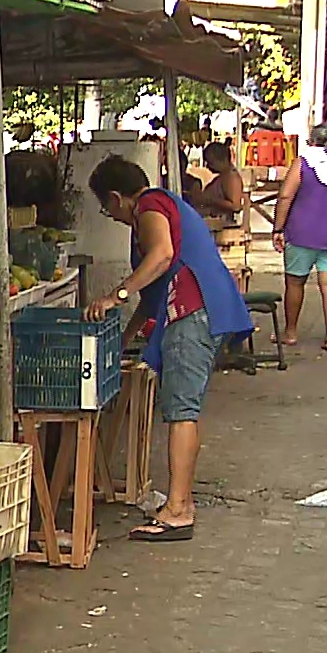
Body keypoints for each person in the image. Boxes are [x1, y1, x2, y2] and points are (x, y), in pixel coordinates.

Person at [85, 156, 253, 542]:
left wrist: (115, 295)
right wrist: (124, 339)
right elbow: (152, 293)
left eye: (106, 207)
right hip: (198, 309)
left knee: (181, 410)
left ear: (116, 198)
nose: (109, 216)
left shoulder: (150, 207)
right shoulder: (163, 205)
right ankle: (181, 503)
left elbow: (160, 258)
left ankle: (177, 510)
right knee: (182, 407)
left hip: (193, 311)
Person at [272, 122, 327, 351]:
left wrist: (278, 228)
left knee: (295, 281)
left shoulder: (302, 164)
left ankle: (291, 332)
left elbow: (285, 197)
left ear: (312, 140)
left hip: (301, 232)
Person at [192, 142, 247, 222]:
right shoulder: (224, 176)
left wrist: (210, 199)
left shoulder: (232, 177)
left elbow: (236, 206)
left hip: (221, 224)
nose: (208, 166)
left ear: (223, 160)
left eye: (211, 162)